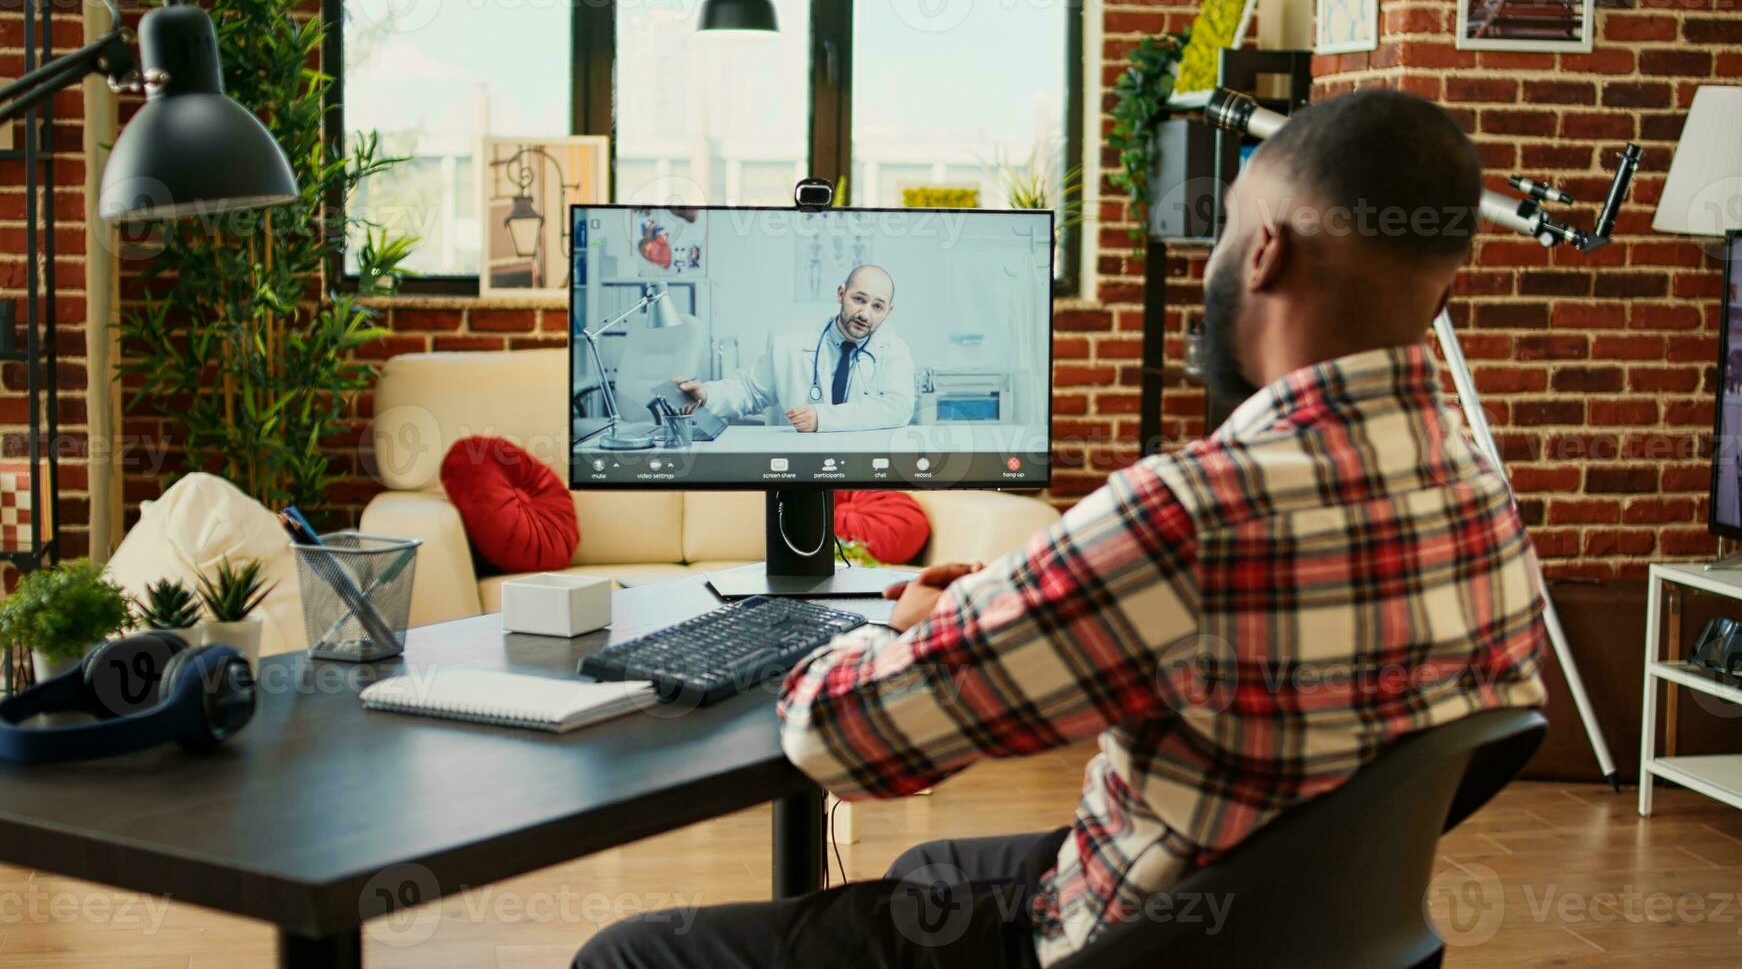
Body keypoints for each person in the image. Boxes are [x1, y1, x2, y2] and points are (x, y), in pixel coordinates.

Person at [575, 89, 1549, 968]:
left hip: (1111, 944)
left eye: (1223, 231)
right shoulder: (1478, 492)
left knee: (628, 954)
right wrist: (1001, 604)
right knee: (928, 871)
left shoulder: (1193, 511)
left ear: (1264, 252)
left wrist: (901, 625)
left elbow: (849, 740)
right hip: (1296, 931)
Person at [675, 264, 916, 432]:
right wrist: (706, 395)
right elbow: (748, 390)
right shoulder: (789, 347)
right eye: (859, 299)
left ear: (888, 312)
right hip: (799, 466)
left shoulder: (895, 351)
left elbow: (898, 408)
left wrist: (823, 418)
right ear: (841, 294)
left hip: (865, 470)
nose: (865, 314)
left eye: (877, 306)